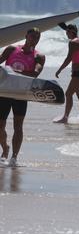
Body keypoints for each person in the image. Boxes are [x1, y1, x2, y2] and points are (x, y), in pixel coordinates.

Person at [0, 28, 45, 167]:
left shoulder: (39, 56)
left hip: (21, 94)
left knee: (18, 126)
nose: (34, 39)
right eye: (32, 36)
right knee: (0, 125)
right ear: (26, 35)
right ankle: (5, 148)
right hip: (5, 92)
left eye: (37, 37)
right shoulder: (11, 49)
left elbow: (34, 73)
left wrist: (11, 71)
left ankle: (14, 157)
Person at [54, 24, 79, 124]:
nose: (66, 34)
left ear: (71, 32)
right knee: (78, 96)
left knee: (70, 94)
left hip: (78, 73)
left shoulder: (73, 42)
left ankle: (66, 118)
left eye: (67, 32)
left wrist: (60, 70)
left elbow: (69, 58)